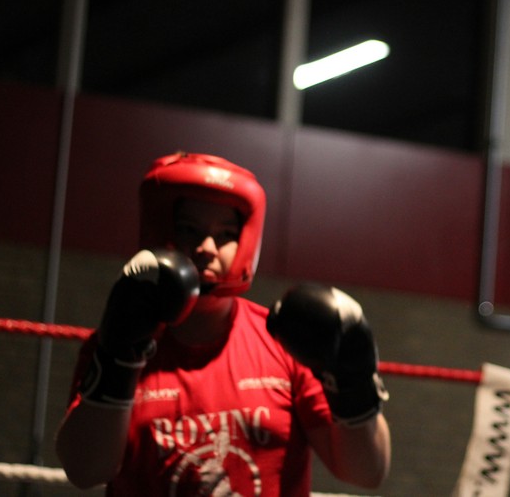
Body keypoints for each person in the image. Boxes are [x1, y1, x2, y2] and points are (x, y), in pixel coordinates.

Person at [56, 151, 391, 495]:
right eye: (190, 230)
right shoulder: (117, 340)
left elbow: (366, 472)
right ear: (163, 233)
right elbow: (85, 471)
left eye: (225, 234)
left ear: (246, 243)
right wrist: (119, 358)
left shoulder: (283, 344)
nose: (206, 248)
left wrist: (354, 379)